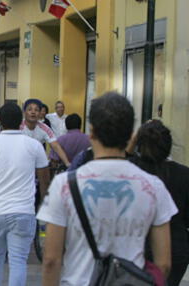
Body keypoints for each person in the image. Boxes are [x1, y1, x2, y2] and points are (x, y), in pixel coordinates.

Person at [38, 93, 176, 286]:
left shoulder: (64, 185)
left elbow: (51, 260)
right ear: (130, 135)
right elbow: (164, 264)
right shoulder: (153, 187)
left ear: (91, 133)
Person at [0, 102, 50, 286]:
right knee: (18, 260)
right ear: (20, 119)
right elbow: (44, 179)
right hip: (23, 211)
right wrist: (44, 203)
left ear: (0, 120)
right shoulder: (34, 146)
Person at [131, 120, 189, 286]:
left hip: (137, 247)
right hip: (175, 248)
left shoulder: (131, 171)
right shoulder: (184, 174)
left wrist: (135, 138)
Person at [0, 99, 71, 167]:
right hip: (16, 162)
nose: (33, 112)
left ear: (40, 113)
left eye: (36, 110)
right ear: (24, 112)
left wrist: (67, 163)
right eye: (30, 109)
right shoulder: (17, 126)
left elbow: (56, 146)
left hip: (36, 163)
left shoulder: (45, 128)